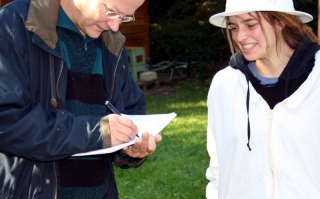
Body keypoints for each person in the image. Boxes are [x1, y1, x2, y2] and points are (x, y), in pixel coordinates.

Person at [0, 0, 162, 198]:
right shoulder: (14, 25)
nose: (115, 25)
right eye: (111, 11)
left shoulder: (111, 42)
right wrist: (96, 132)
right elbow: (7, 120)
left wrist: (129, 148)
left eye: (124, 17)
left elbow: (128, 110)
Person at [206, 0, 320, 198]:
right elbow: (218, 167)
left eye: (251, 24)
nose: (240, 36)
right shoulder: (224, 85)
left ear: (280, 21)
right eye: (233, 27)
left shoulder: (316, 79)